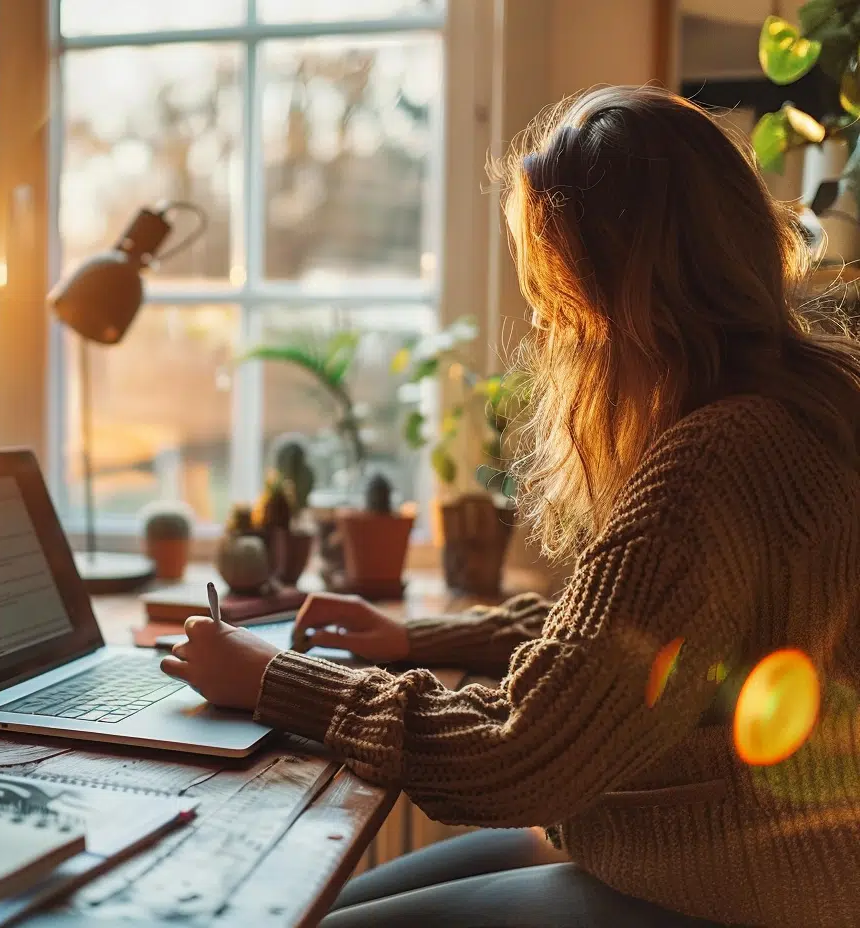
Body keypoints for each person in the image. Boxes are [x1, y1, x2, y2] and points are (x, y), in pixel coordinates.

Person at [159, 85, 860, 928]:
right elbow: (621, 642)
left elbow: (522, 756)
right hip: (785, 868)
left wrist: (276, 681)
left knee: (309, 918)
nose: (543, 316)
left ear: (604, 289)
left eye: (550, 283)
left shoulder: (713, 458)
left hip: (740, 891)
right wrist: (417, 637)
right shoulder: (804, 406)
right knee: (321, 903)